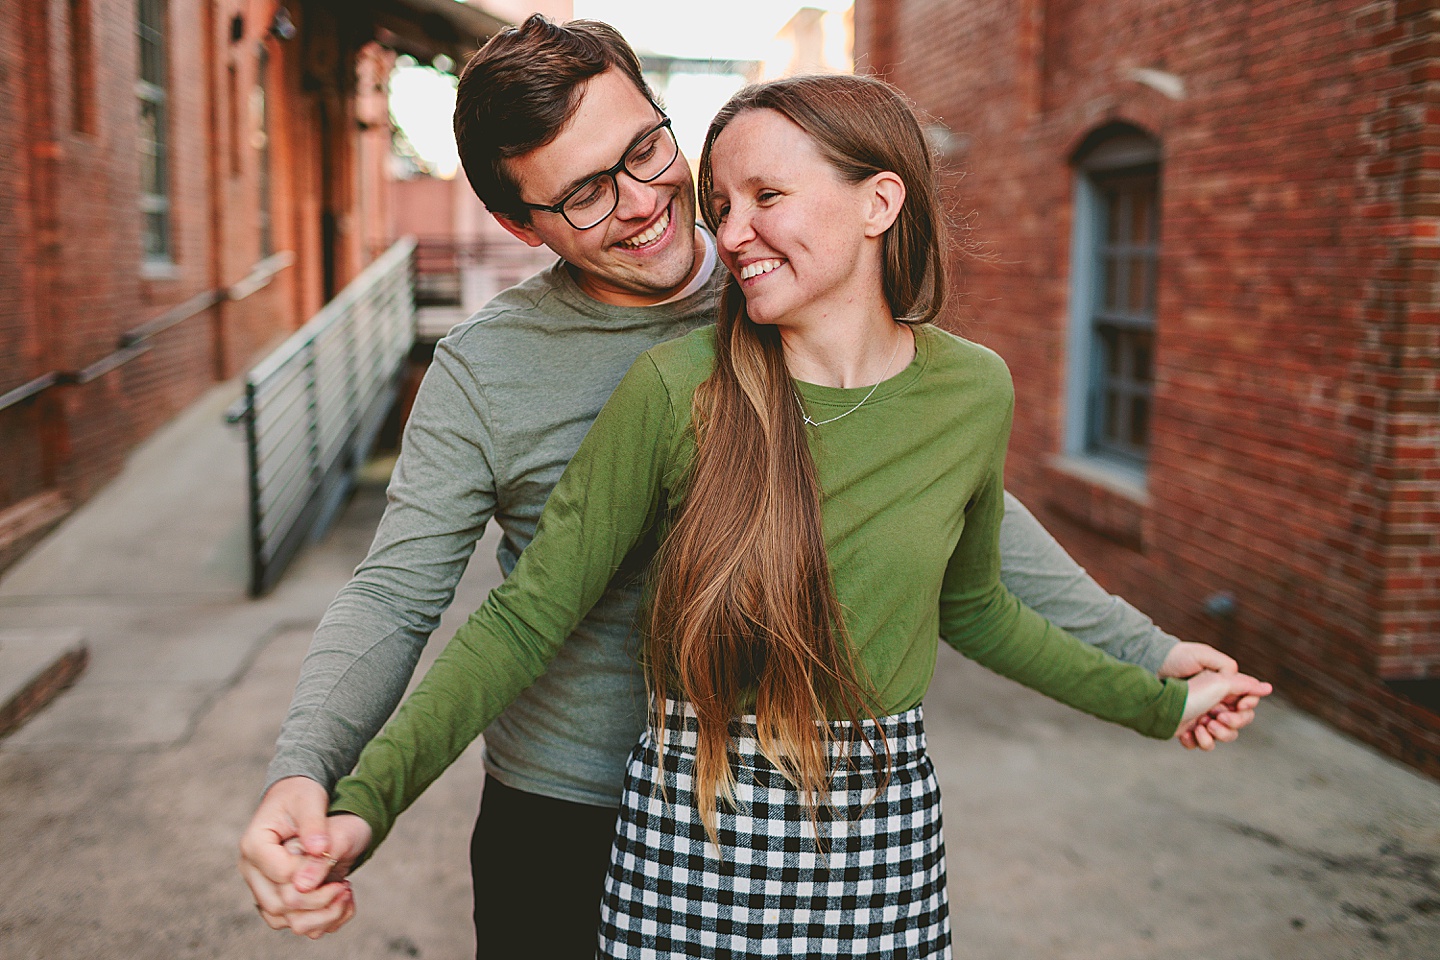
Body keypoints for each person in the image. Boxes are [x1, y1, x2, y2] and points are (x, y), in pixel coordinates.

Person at [238, 16, 1261, 952]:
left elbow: (954, 515)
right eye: (587, 192)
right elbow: (405, 596)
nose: (647, 204)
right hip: (567, 806)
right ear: (522, 226)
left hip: (800, 809)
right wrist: (312, 770)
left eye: (646, 150)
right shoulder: (490, 370)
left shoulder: (787, 273)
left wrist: (1144, 651)